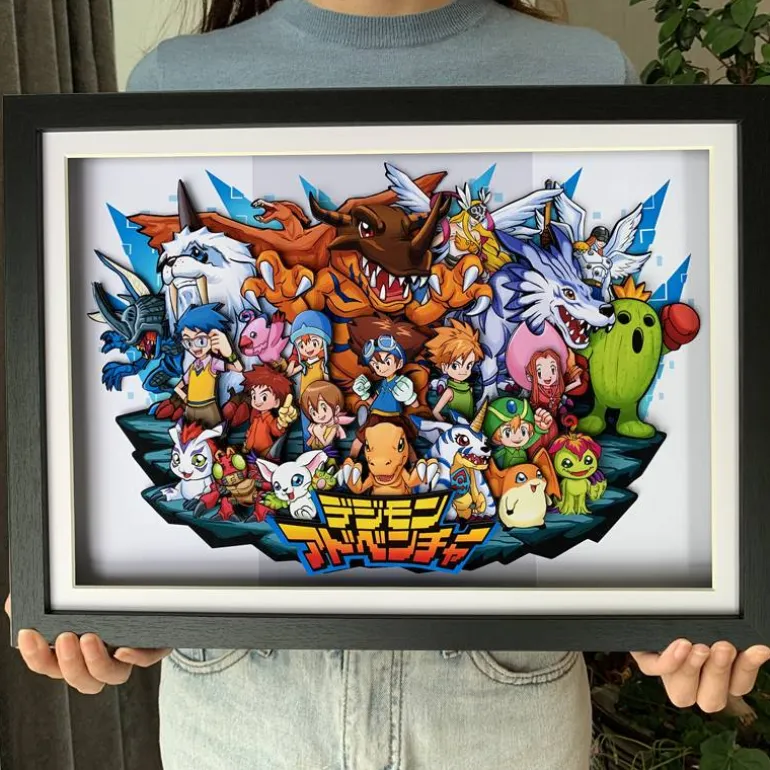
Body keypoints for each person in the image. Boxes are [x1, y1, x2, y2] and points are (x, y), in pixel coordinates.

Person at [9, 2, 770, 770]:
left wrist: (681, 601)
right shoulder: (176, 81)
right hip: (245, 694)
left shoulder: (587, 71)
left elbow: (653, 482)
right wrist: (95, 584)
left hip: (500, 696)